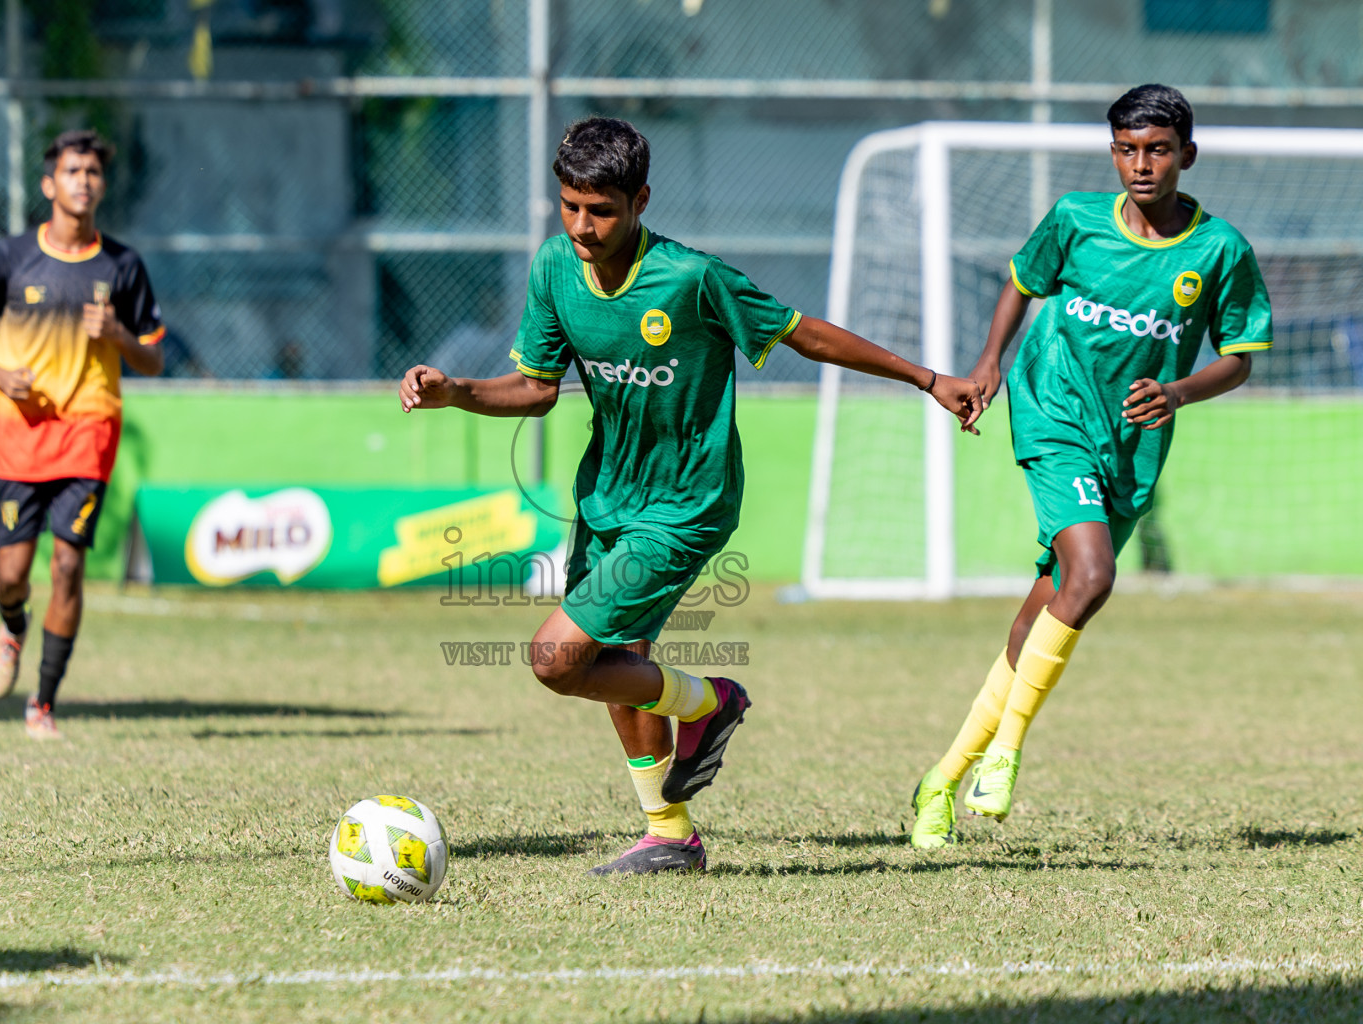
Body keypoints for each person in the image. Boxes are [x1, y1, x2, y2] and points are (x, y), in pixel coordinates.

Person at [400, 116, 984, 874]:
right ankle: (669, 835)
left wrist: (929, 378)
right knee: (617, 659)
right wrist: (457, 392)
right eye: (570, 205)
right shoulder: (553, 269)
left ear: (640, 200)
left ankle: (710, 702)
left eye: (601, 209)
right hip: (608, 495)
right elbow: (537, 389)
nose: (583, 225)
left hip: (686, 502)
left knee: (556, 658)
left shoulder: (692, 278)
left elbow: (804, 334)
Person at [909, 85, 1272, 848]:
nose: (1142, 165)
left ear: (1186, 155)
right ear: (1113, 152)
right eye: (1127, 149)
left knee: (1047, 607)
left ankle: (940, 779)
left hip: (1131, 443)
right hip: (1055, 413)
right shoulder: (1075, 219)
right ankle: (1004, 754)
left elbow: (1240, 358)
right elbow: (1021, 281)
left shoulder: (1219, 250)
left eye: (1158, 150)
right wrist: (989, 364)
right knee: (1095, 576)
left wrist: (1178, 389)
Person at [0, 129, 166, 740]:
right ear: (49, 184)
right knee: (13, 573)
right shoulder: (12, 257)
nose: (83, 181)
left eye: (93, 172)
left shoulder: (123, 266)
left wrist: (120, 335)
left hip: (89, 428)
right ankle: (12, 624)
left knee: (69, 566)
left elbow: (153, 356)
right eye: (72, 171)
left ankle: (42, 704)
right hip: (19, 432)